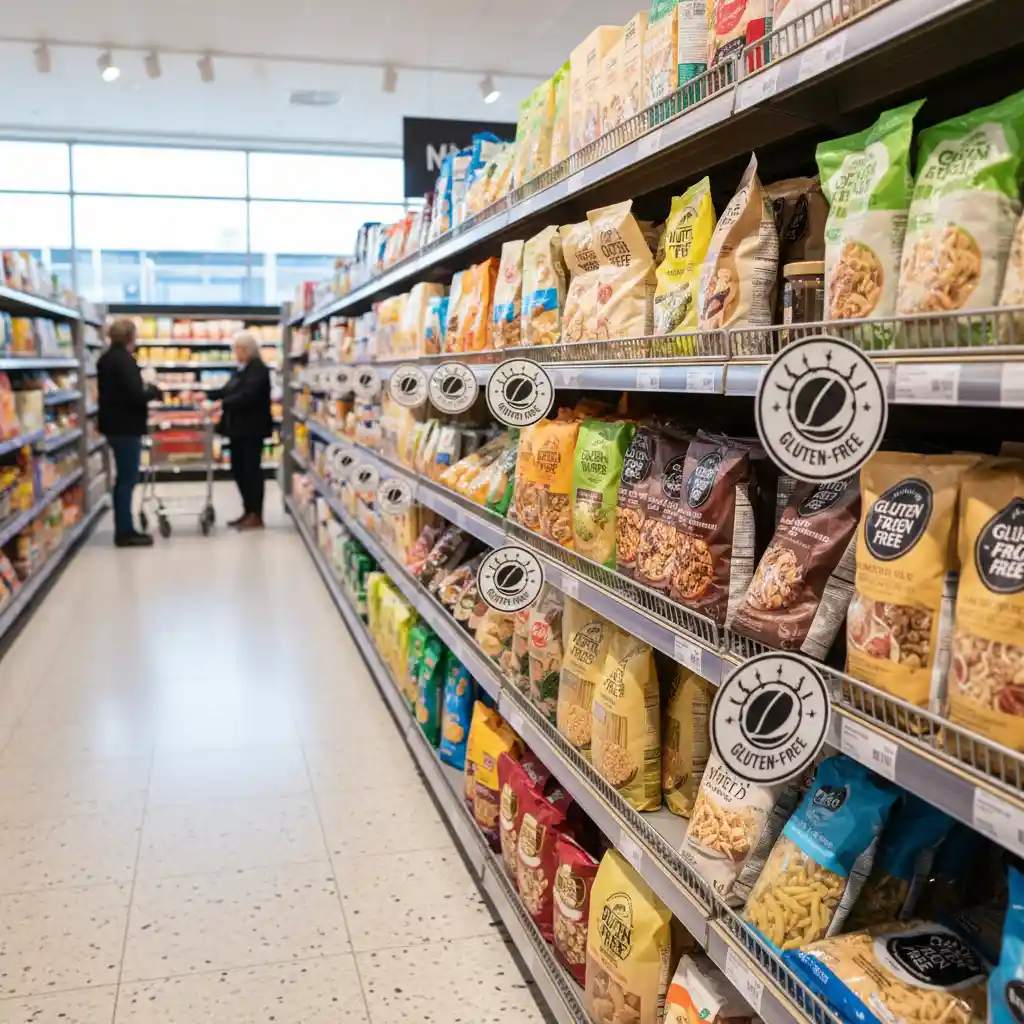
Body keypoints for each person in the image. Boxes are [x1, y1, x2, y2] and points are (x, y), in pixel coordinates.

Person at [97, 318, 161, 548]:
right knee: (128, 479)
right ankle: (125, 531)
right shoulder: (125, 360)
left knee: (124, 478)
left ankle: (124, 527)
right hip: (125, 427)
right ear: (130, 337)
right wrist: (152, 389)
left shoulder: (105, 359)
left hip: (113, 426)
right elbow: (135, 395)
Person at [208, 331, 272, 530]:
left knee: (251, 470)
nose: (235, 353)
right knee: (238, 469)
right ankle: (247, 510)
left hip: (252, 429)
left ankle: (256, 514)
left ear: (246, 350)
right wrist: (206, 395)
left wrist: (221, 404)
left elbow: (248, 396)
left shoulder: (259, 370)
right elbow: (228, 390)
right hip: (237, 429)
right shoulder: (241, 369)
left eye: (237, 349)